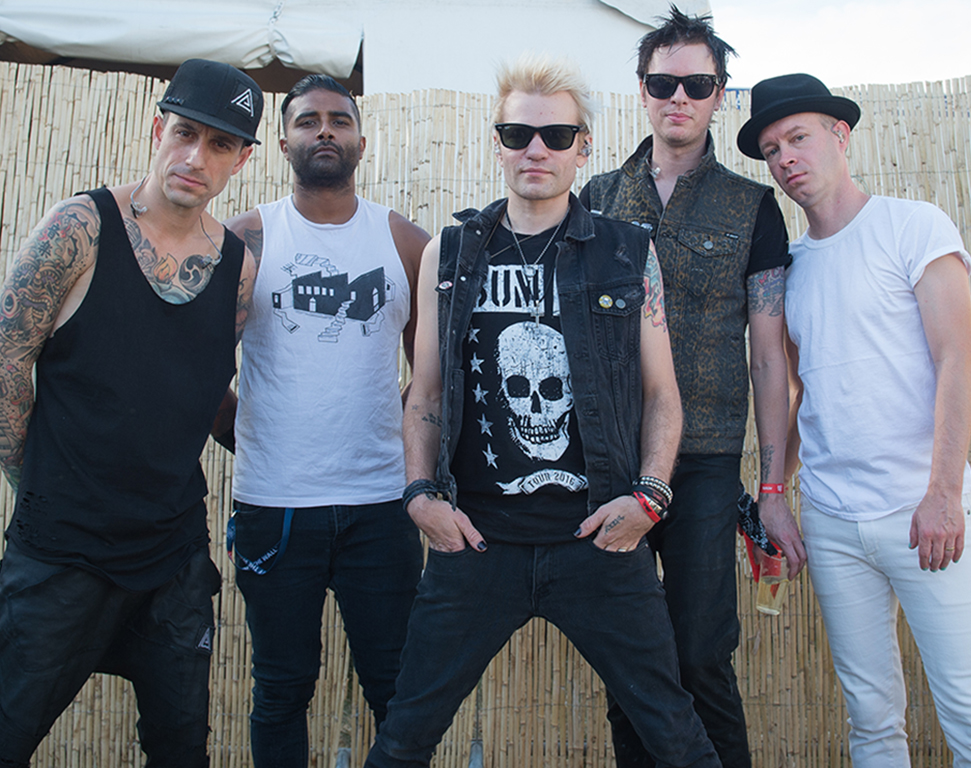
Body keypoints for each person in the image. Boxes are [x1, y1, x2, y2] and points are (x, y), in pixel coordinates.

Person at [362, 53, 720, 768]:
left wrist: (649, 496)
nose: (537, 149)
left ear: (583, 148)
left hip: (599, 540)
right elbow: (425, 388)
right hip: (476, 543)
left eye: (558, 136)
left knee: (675, 733)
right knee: (404, 735)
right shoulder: (452, 251)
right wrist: (418, 494)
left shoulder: (627, 251)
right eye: (519, 134)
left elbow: (662, 396)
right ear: (496, 142)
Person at [740, 72, 971, 767]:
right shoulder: (791, 268)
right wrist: (775, 494)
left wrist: (944, 495)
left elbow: (959, 362)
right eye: (772, 149)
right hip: (834, 524)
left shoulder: (913, 225)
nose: (785, 159)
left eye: (797, 137)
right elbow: (809, 396)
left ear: (840, 134)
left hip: (922, 510)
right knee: (870, 723)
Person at [0, 59, 262, 767]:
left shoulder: (237, 268)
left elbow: (193, 387)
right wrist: (34, 482)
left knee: (182, 748)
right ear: (157, 129)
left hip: (171, 554)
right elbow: (5, 357)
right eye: (184, 133)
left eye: (218, 145)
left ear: (239, 160)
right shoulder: (80, 229)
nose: (194, 157)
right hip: (60, 548)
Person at [579, 9, 805, 767]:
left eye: (696, 83)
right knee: (629, 662)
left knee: (703, 654)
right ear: (642, 90)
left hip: (706, 462)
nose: (679, 96)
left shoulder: (753, 208)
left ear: (718, 94)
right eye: (662, 82)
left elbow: (771, 358)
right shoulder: (596, 201)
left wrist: (772, 486)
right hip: (611, 460)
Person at [220, 74, 428, 767]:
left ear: (362, 142)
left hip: (380, 504)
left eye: (340, 120)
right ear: (282, 142)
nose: (325, 131)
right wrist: (246, 430)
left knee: (397, 690)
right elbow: (193, 365)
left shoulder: (403, 243)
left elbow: (432, 373)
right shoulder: (247, 237)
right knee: (280, 689)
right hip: (274, 505)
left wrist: (404, 438)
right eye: (308, 121)